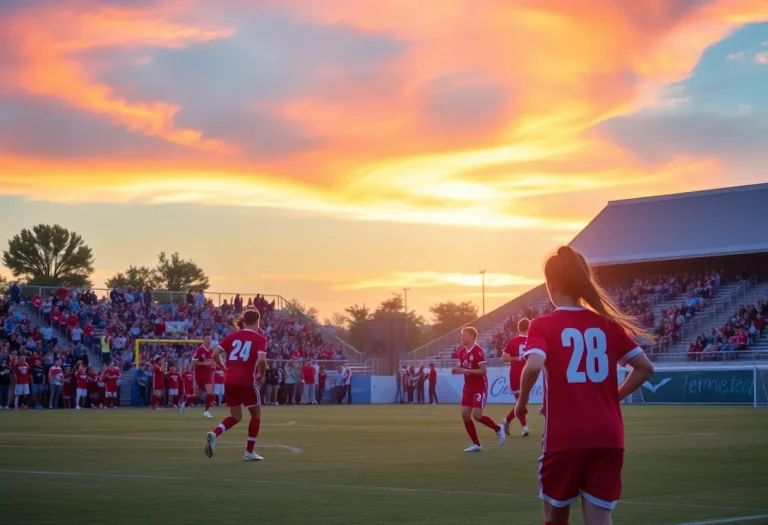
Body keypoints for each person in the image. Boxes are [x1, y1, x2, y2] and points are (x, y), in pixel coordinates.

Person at [515, 246, 654, 525]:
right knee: (600, 516)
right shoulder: (608, 324)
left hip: (565, 437)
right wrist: (613, 398)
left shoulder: (543, 325)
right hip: (608, 434)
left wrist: (521, 402)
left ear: (551, 284)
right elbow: (645, 368)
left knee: (555, 515)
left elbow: (532, 364)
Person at [205, 309, 268, 462]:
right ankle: (249, 452)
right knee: (256, 414)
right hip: (246, 380)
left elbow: (214, 354)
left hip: (229, 379)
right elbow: (262, 360)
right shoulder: (260, 339)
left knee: (236, 416)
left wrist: (224, 369)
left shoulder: (231, 337)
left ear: (243, 321)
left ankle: (215, 433)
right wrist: (261, 373)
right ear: (257, 321)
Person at [453, 327, 505, 452]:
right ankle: (476, 444)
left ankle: (498, 428)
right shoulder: (462, 352)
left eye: (464, 335)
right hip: (468, 387)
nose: (462, 337)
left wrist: (465, 371)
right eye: (461, 335)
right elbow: (464, 366)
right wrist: (458, 370)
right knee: (465, 415)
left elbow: (483, 371)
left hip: (479, 387)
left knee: (477, 415)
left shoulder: (477, 351)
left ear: (471, 336)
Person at [500, 318, 530, 437]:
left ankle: (508, 421)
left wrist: (514, 358)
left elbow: (503, 358)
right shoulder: (532, 340)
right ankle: (522, 426)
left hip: (516, 374)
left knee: (521, 401)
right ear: (530, 328)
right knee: (522, 402)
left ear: (518, 328)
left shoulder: (513, 341)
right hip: (528, 374)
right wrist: (517, 358)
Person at [182, 333, 216, 417]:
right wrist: (205, 363)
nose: (209, 341)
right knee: (196, 396)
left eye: (210, 339)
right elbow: (193, 362)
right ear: (203, 340)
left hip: (208, 375)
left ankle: (206, 411)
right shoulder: (199, 350)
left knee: (211, 392)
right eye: (207, 339)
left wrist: (213, 365)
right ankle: (185, 403)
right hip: (199, 376)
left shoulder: (212, 351)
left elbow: (213, 362)